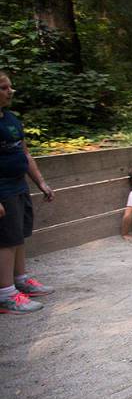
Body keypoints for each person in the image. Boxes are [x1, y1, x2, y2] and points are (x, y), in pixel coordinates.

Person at [0, 71, 55, 315]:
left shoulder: (11, 119)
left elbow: (25, 153)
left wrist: (40, 182)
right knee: (6, 241)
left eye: (9, 86)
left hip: (18, 185)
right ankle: (6, 294)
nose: (10, 91)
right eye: (3, 88)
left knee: (19, 235)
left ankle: (20, 280)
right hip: (2, 189)